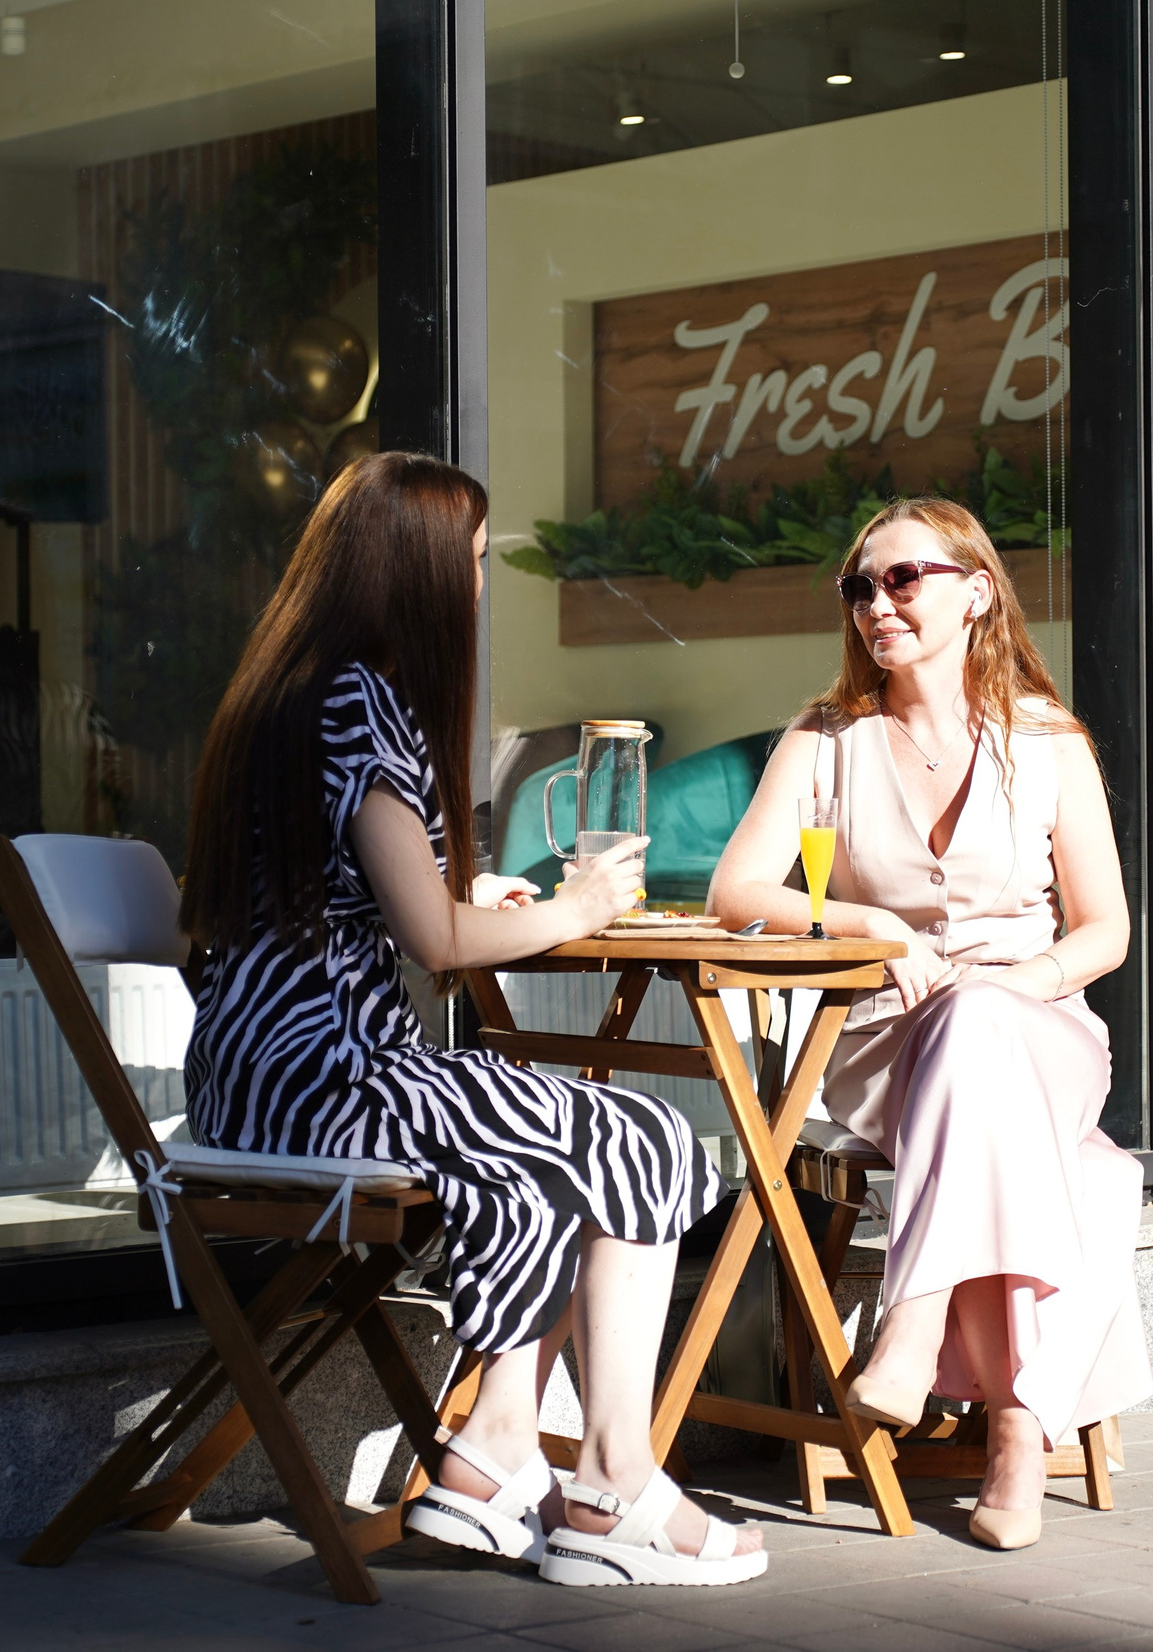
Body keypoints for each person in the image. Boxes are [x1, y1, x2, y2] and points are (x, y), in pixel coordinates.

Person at [180, 451, 765, 1588]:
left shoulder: (279, 693)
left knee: (557, 1143)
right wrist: (576, 906)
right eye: (479, 562)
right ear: (424, 572)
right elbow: (434, 947)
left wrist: (472, 900)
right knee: (638, 1135)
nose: (484, 586)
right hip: (328, 1086)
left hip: (250, 1077)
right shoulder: (357, 699)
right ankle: (610, 1486)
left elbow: (384, 906)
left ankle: (496, 1456)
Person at [707, 496, 1153, 1551]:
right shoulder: (826, 739)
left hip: (1039, 1028)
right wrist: (868, 921)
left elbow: (1104, 933)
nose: (876, 603)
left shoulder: (1048, 742)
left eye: (903, 578)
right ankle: (1014, 1431)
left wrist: (1014, 984)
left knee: (981, 1022)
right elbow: (738, 892)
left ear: (975, 593)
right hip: (880, 1042)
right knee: (986, 1071)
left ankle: (911, 1324)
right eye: (859, 586)